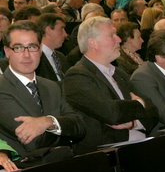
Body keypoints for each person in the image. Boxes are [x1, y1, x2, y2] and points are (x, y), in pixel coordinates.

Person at [0, 20, 86, 157]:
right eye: (18, 48)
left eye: (32, 47)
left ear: (40, 49)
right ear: (7, 52)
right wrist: (67, 134)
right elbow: (34, 142)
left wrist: (48, 122)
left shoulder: (52, 86)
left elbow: (80, 127)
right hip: (28, 170)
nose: (26, 55)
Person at [63, 16, 158, 154]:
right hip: (108, 155)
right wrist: (141, 104)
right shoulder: (77, 76)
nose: (119, 39)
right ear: (93, 43)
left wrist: (133, 123)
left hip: (137, 146)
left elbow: (154, 112)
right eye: (111, 35)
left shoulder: (118, 73)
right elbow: (112, 113)